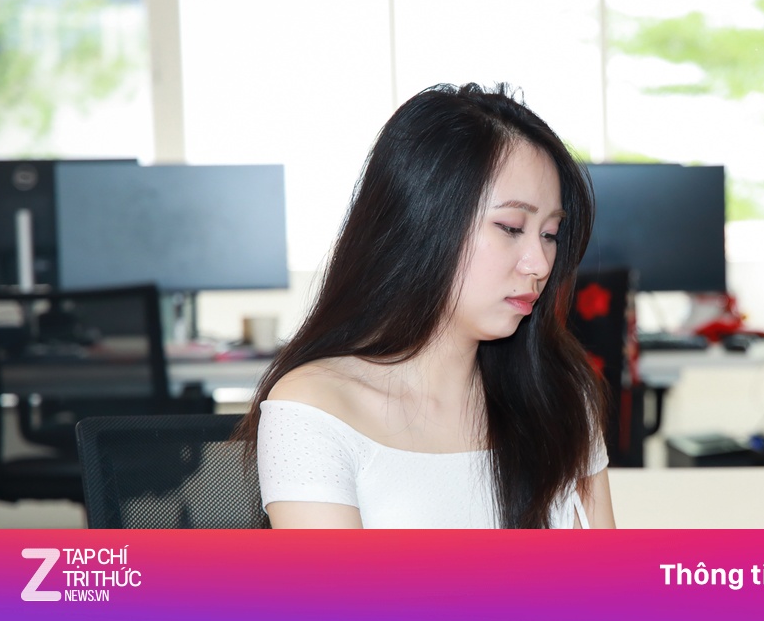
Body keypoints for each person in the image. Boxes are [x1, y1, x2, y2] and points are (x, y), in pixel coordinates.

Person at [233, 83, 615, 529]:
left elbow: (606, 572)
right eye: (511, 227)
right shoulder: (315, 409)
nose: (540, 263)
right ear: (423, 223)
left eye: (549, 234)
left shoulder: (559, 392)